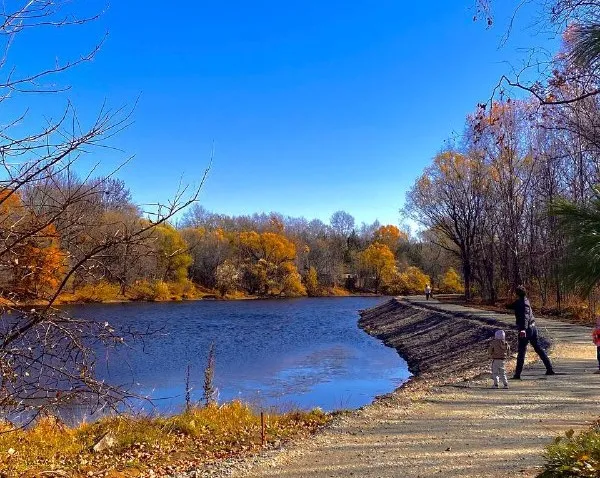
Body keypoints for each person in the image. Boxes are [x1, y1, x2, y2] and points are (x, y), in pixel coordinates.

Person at [512, 285, 554, 379]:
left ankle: (517, 374)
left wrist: (523, 329)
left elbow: (525, 316)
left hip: (526, 329)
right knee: (538, 348)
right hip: (533, 328)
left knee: (522, 351)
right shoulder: (525, 301)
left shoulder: (522, 303)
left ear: (517, 294)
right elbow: (515, 306)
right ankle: (549, 368)